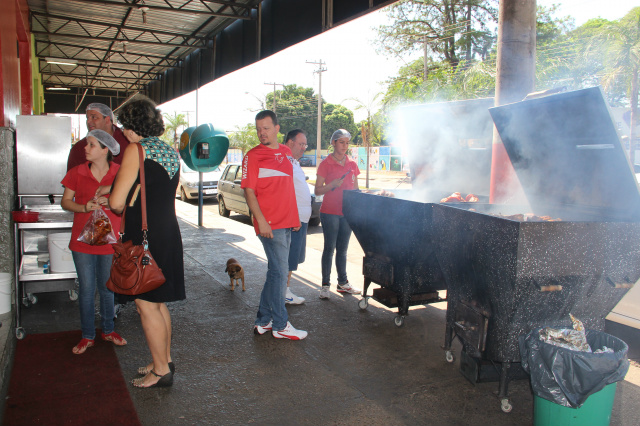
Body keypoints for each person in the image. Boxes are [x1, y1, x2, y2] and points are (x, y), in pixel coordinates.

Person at [104, 96, 185, 388]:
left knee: (146, 304)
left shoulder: (136, 150)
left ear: (130, 126)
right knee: (158, 302)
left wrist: (116, 194)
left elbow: (116, 203)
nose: (123, 131)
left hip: (144, 236)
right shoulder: (169, 150)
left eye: (124, 125)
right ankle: (162, 359)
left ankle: (161, 371)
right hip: (167, 232)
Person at [242, 110, 308, 340]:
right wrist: (261, 221)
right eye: (259, 129)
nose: (262, 133)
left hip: (287, 221)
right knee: (280, 274)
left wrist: (295, 216)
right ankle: (280, 324)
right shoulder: (252, 156)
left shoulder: (286, 152)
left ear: (277, 128)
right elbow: (249, 192)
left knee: (274, 273)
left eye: (266, 128)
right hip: (270, 224)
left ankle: (263, 320)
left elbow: (289, 186)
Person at [61, 129, 127, 355]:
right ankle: (87, 335)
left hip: (110, 242)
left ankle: (108, 330)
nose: (85, 149)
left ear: (105, 150)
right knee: (87, 289)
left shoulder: (120, 173)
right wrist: (83, 207)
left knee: (108, 288)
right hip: (82, 242)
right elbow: (65, 202)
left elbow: (131, 201)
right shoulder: (77, 172)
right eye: (87, 144)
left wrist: (113, 204)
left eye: (91, 145)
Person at [314, 129, 361, 299]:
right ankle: (325, 285)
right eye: (341, 142)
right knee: (329, 249)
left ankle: (343, 283)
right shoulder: (325, 164)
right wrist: (332, 185)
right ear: (333, 143)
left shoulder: (352, 164)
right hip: (330, 212)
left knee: (343, 250)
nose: (345, 146)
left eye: (347, 143)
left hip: (346, 214)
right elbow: (317, 189)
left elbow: (356, 189)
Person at [284, 129, 310, 305]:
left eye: (305, 145)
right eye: (301, 144)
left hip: (301, 219)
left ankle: (284, 290)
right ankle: (283, 292)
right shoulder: (284, 162)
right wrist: (293, 216)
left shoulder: (294, 162)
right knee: (288, 259)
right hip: (294, 220)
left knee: (293, 259)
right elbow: (284, 192)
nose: (303, 148)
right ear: (290, 142)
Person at [67, 103, 129, 171]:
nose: (89, 121)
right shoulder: (79, 148)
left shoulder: (127, 142)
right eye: (87, 118)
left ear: (107, 120)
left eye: (94, 117)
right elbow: (72, 177)